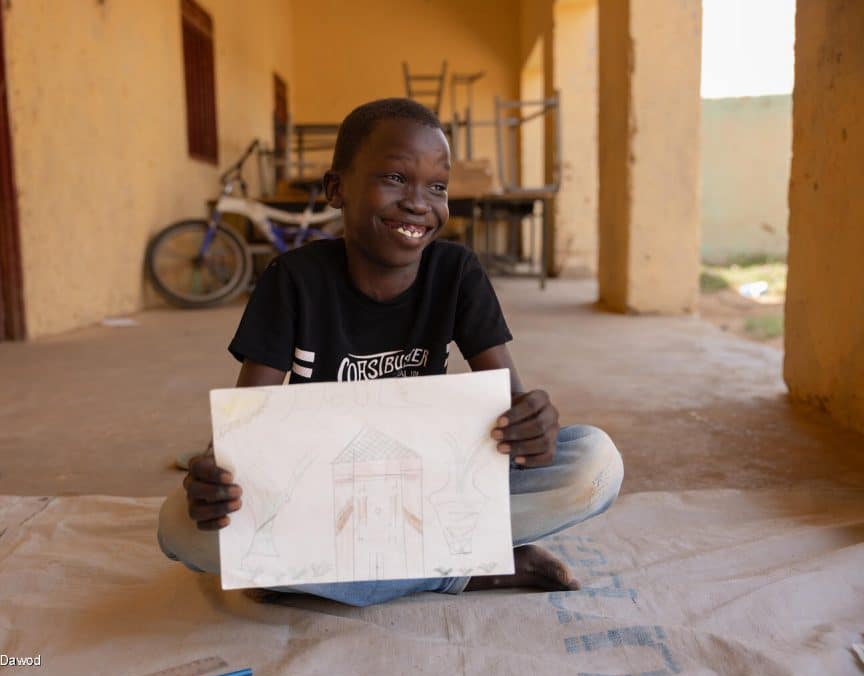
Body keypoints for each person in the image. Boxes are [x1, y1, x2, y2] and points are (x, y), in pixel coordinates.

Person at [157, 98, 623, 607]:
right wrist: (216, 476)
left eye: (437, 187)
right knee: (181, 527)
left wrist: (534, 424)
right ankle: (460, 569)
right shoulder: (294, 280)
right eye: (396, 178)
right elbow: (245, 427)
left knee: (595, 462)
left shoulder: (456, 273)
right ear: (336, 189)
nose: (419, 203)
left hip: (434, 487)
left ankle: (309, 572)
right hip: (324, 492)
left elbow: (515, 411)